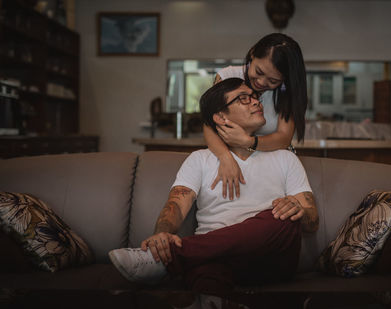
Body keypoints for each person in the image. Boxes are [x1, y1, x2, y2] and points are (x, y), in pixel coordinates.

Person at [109, 78, 318, 295]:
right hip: (212, 262)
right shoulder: (200, 159)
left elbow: (312, 222)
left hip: (268, 260)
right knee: (206, 285)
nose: (256, 102)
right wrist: (161, 235)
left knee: (282, 220)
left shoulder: (285, 158)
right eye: (244, 99)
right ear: (221, 117)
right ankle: (178, 257)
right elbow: (177, 206)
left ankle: (170, 258)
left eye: (255, 97)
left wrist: (298, 210)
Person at [205, 33, 308, 200]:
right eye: (258, 71)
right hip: (231, 159)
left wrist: (248, 142)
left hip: (272, 164)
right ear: (252, 54)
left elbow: (284, 137)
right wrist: (225, 158)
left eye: (273, 81)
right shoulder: (228, 77)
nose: (261, 82)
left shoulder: (286, 92)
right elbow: (210, 125)